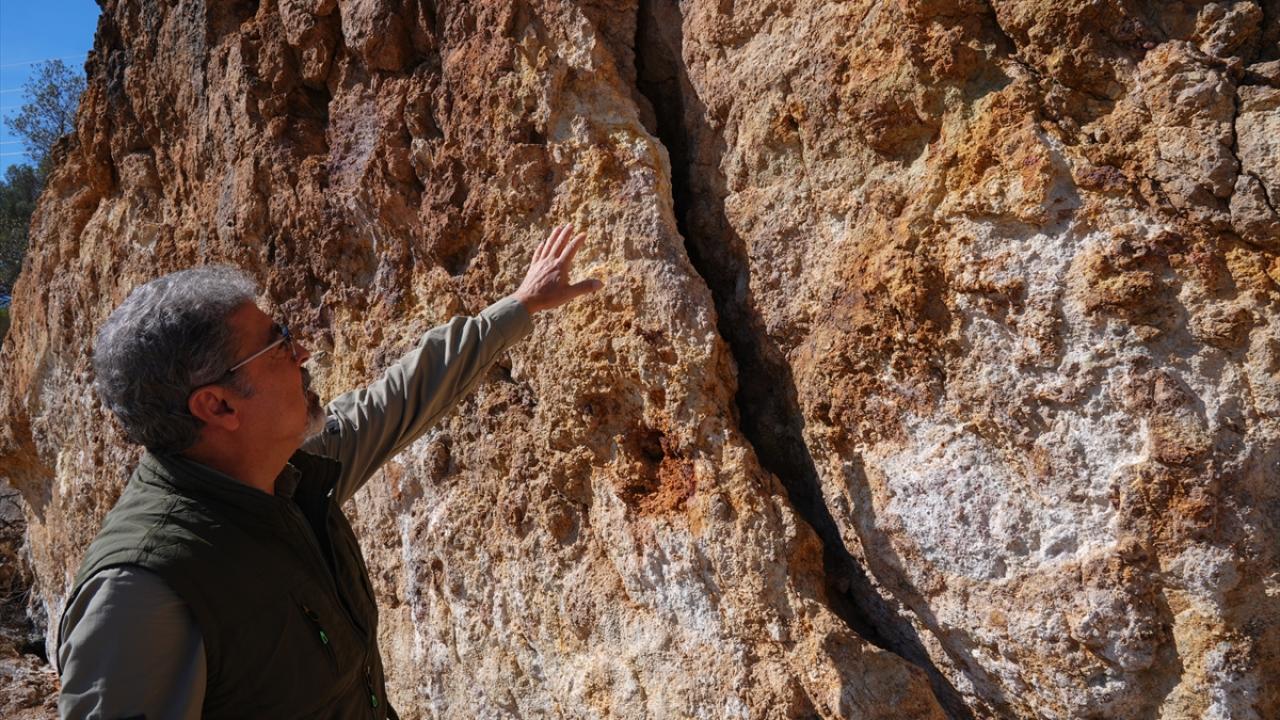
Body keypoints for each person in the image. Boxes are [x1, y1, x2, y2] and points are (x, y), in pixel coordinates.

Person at [57, 224, 602, 719]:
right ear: (218, 405)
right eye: (277, 344)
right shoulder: (142, 592)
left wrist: (521, 305)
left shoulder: (287, 474)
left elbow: (398, 398)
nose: (302, 351)